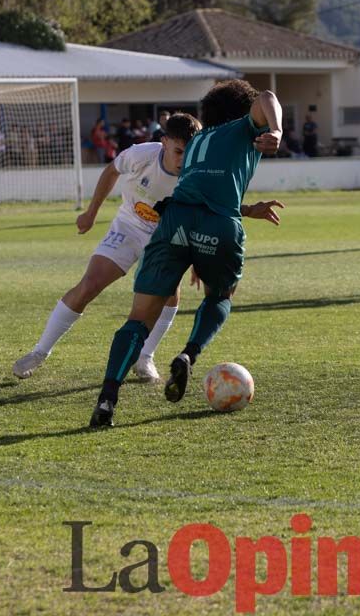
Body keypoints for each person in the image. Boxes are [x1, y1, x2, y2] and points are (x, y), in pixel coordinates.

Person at [89, 80, 284, 428]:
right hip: (218, 224)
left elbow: (202, 188)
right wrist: (277, 130)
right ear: (243, 111)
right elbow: (268, 97)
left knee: (139, 318)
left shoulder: (195, 144)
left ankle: (107, 399)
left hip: (173, 222)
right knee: (220, 295)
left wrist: (199, 243)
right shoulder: (243, 128)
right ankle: (187, 354)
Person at [12, 114, 206, 382]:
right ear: (163, 143)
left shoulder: (198, 173)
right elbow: (111, 171)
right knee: (89, 285)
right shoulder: (141, 155)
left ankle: (145, 358)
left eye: (191, 152)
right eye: (179, 151)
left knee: (170, 295)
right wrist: (91, 213)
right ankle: (39, 352)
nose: (185, 159)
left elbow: (201, 213)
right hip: (128, 227)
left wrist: (198, 260)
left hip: (165, 237)